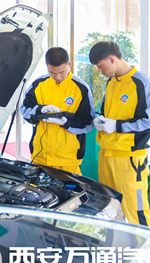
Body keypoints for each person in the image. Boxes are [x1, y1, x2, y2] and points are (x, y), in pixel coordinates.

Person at [89, 41, 150, 226]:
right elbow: (110, 114)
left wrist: (117, 126)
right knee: (110, 209)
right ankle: (116, 243)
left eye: (101, 66)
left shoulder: (142, 83)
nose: (99, 71)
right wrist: (102, 121)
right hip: (107, 155)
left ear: (112, 59)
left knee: (134, 210)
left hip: (129, 159)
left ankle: (143, 245)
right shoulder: (111, 82)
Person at [20, 47, 96, 175]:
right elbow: (24, 110)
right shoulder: (38, 84)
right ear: (47, 66)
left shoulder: (81, 88)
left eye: (62, 72)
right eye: (52, 72)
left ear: (69, 65)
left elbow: (88, 123)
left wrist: (67, 122)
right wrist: (40, 110)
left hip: (68, 159)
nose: (58, 77)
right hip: (40, 155)